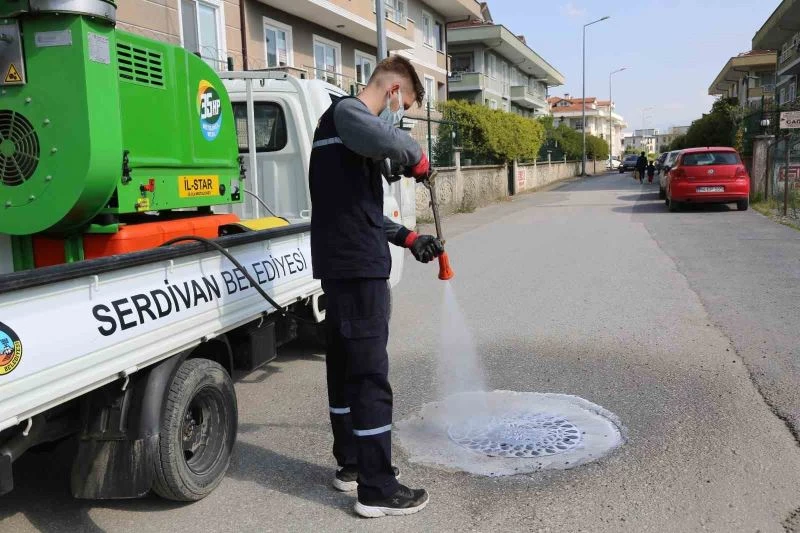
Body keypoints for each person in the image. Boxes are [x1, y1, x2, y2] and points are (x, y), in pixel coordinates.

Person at [308, 55, 443, 518]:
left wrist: (408, 238)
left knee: (346, 372)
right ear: (391, 93)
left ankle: (352, 466)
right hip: (357, 270)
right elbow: (392, 141)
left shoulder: (341, 131)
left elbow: (359, 211)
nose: (400, 115)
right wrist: (417, 157)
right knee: (369, 378)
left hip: (344, 263)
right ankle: (377, 489)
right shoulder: (348, 114)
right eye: (402, 105)